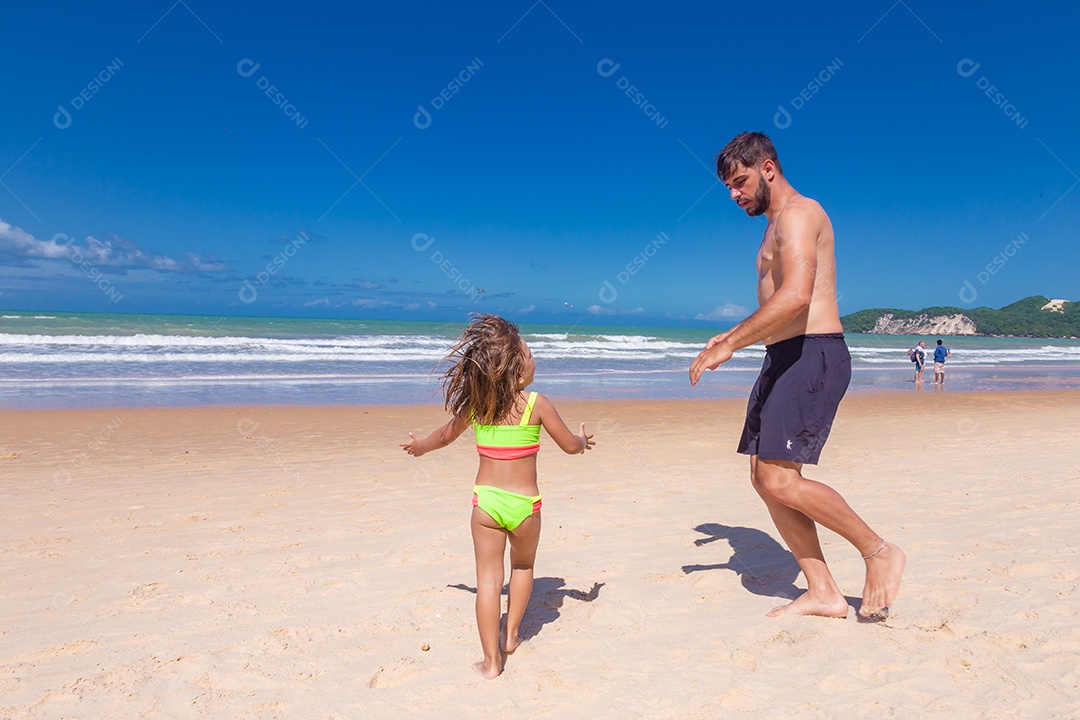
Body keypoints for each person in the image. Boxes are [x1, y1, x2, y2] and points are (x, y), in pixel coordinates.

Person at [689, 131, 905, 621]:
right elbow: (775, 308)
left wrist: (729, 344)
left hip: (813, 354)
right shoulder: (772, 228)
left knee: (780, 480)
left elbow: (798, 297)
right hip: (784, 356)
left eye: (739, 181)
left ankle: (879, 551)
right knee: (764, 478)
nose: (733, 194)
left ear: (768, 168)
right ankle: (824, 591)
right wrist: (728, 334)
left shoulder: (800, 214)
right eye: (727, 186)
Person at [401, 314, 594, 678]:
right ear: (517, 369)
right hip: (525, 506)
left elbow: (443, 436)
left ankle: (491, 663)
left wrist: (421, 447)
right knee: (522, 566)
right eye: (530, 354)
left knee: (488, 581)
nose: (535, 359)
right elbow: (570, 446)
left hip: (486, 504)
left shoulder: (478, 405)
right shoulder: (537, 404)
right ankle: (511, 637)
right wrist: (583, 441)